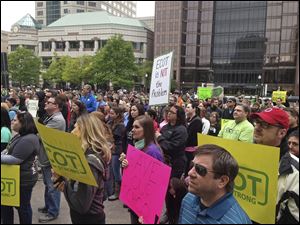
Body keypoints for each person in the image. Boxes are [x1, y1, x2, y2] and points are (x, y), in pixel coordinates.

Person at [54, 113, 111, 224]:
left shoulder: (90, 162)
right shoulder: (87, 155)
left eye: (75, 127)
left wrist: (64, 185)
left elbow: (81, 205)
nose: (71, 131)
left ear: (85, 131)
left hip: (89, 219)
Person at [179, 144, 251, 224]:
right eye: (192, 165)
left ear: (222, 181)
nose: (190, 173)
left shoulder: (236, 221)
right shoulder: (188, 199)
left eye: (200, 169)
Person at [250, 108, 298, 223]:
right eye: (257, 122)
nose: (257, 127)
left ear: (282, 133)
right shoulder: (246, 156)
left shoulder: (293, 171)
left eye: (265, 125)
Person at [120, 115, 163, 224]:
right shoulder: (139, 145)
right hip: (136, 200)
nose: (133, 130)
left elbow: (156, 183)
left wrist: (148, 211)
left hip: (145, 205)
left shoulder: (152, 151)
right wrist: (126, 164)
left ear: (146, 130)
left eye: (137, 127)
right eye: (133, 127)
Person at [1, 112, 40, 224]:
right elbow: (8, 149)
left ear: (23, 123)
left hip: (23, 180)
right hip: (14, 177)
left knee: (23, 207)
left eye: (15, 120)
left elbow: (15, 159)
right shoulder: (21, 135)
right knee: (7, 204)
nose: (12, 121)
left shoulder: (28, 139)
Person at [38, 96, 66, 223]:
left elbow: (41, 134)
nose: (46, 103)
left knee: (53, 185)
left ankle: (53, 211)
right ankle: (48, 206)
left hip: (52, 158)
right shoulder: (51, 117)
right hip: (46, 156)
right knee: (47, 184)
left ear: (56, 106)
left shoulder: (57, 120)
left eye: (49, 102)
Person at [156, 105, 188, 178]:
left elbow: (173, 148)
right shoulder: (165, 127)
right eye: (169, 111)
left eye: (172, 112)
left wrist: (160, 138)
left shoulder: (181, 130)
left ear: (178, 116)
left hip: (175, 164)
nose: (169, 113)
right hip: (164, 161)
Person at [107, 107, 126, 201]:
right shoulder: (110, 122)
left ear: (117, 114)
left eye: (112, 113)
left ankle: (118, 192)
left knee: (116, 172)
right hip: (110, 148)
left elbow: (114, 136)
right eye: (109, 113)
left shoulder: (121, 125)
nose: (110, 115)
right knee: (111, 171)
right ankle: (112, 190)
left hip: (117, 149)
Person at [185, 102, 203, 176]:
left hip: (191, 149)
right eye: (186, 107)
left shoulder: (197, 120)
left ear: (194, 109)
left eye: (189, 107)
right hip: (186, 148)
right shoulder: (188, 119)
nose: (186, 108)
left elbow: (190, 136)